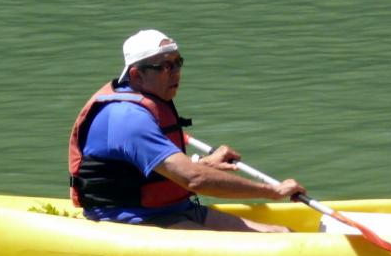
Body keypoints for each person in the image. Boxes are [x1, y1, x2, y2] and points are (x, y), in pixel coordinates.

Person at [68, 29, 305, 231]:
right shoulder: (126, 118)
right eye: (164, 66)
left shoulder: (150, 102)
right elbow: (194, 180)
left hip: (176, 209)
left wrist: (205, 163)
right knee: (270, 246)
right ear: (136, 75)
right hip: (134, 219)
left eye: (178, 63)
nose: (176, 72)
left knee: (282, 233)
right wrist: (271, 191)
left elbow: (159, 169)